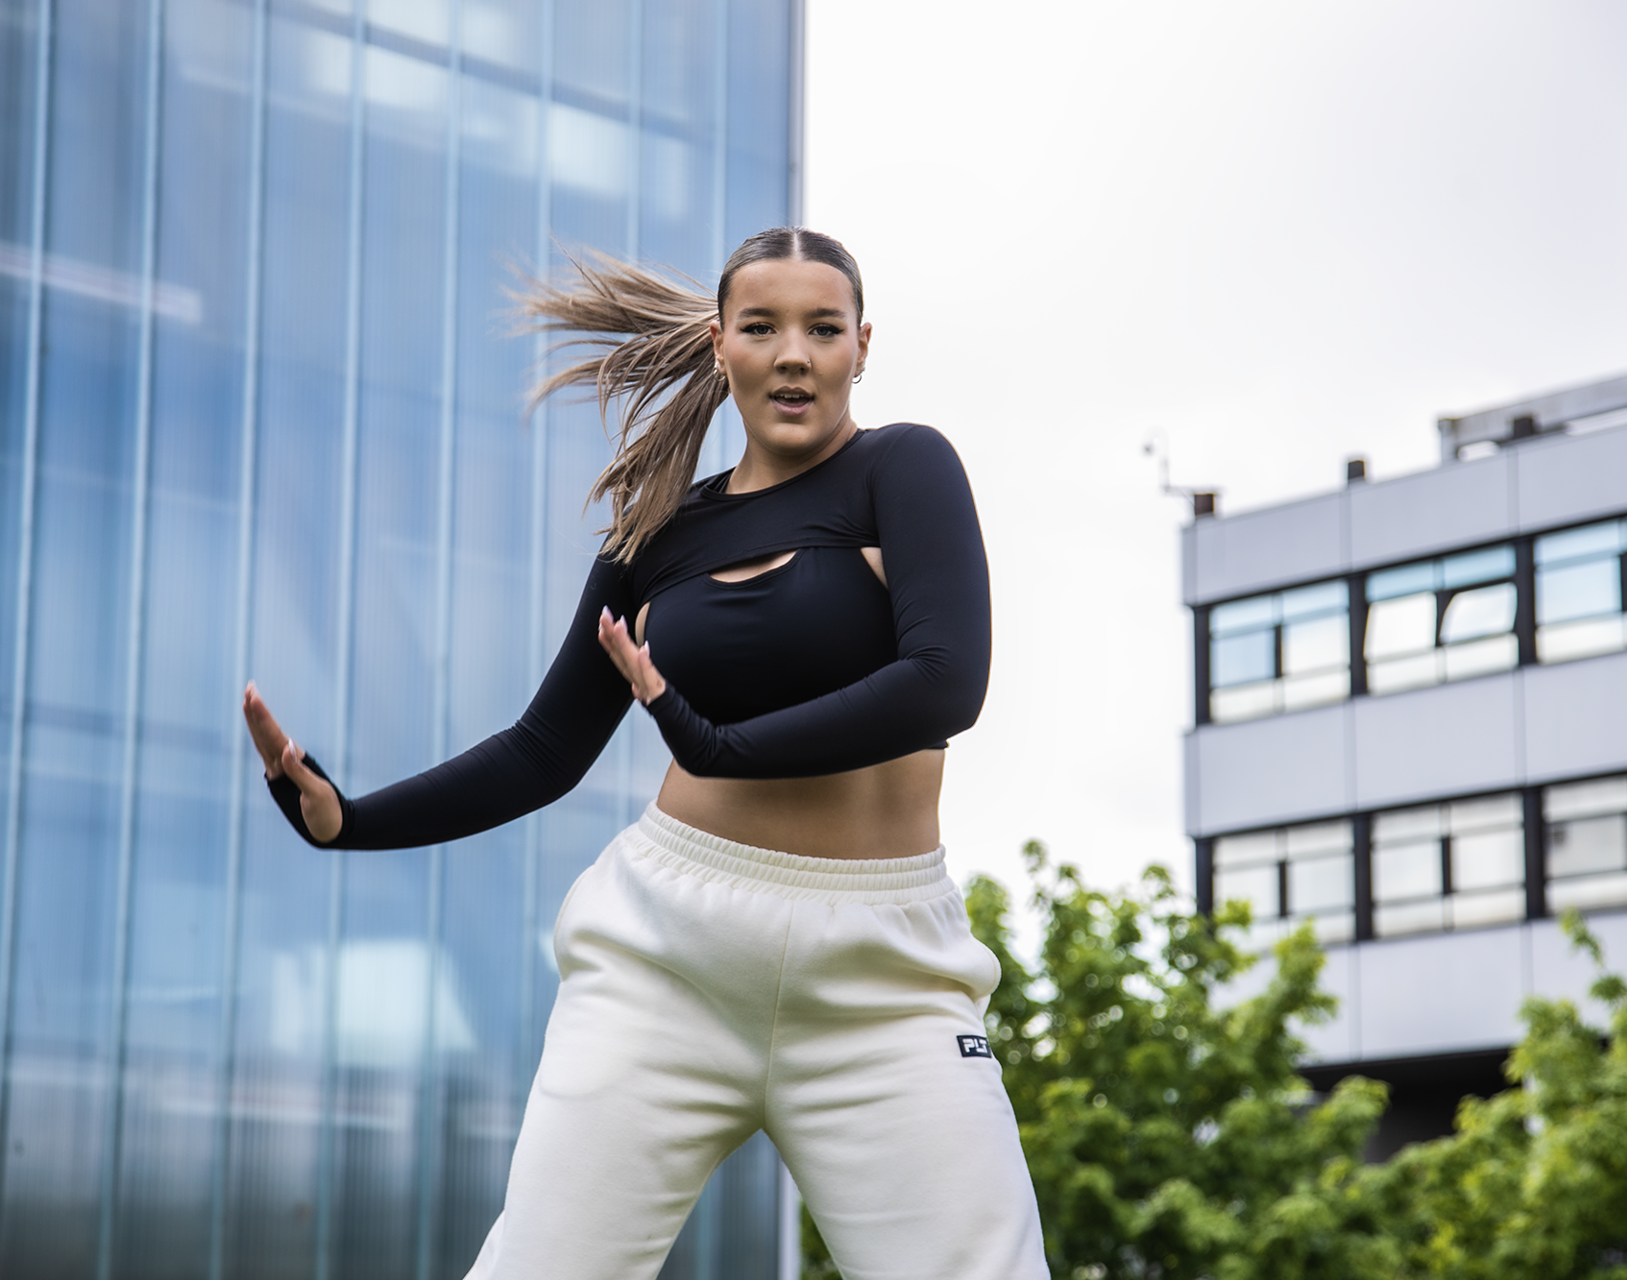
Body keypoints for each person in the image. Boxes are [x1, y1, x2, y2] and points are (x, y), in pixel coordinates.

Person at [242, 227, 1048, 1280]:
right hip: (670, 954)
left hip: (883, 973)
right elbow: (544, 749)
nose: (793, 353)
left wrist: (719, 746)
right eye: (761, 327)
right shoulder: (658, 530)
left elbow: (946, 681)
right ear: (721, 345)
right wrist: (349, 820)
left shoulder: (904, 467)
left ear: (862, 346)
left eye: (823, 328)